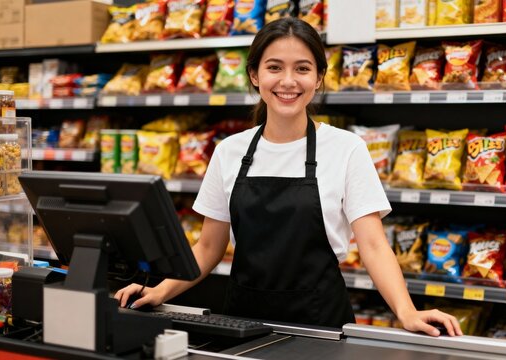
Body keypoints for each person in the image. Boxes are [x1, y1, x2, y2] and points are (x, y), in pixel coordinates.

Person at [115, 17, 462, 337]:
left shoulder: (346, 148)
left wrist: (406, 311)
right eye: (274, 67)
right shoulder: (229, 151)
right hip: (242, 324)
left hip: (321, 325)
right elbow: (209, 246)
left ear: (319, 78)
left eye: (302, 69)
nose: (288, 81)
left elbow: (372, 245)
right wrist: (158, 290)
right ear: (254, 75)